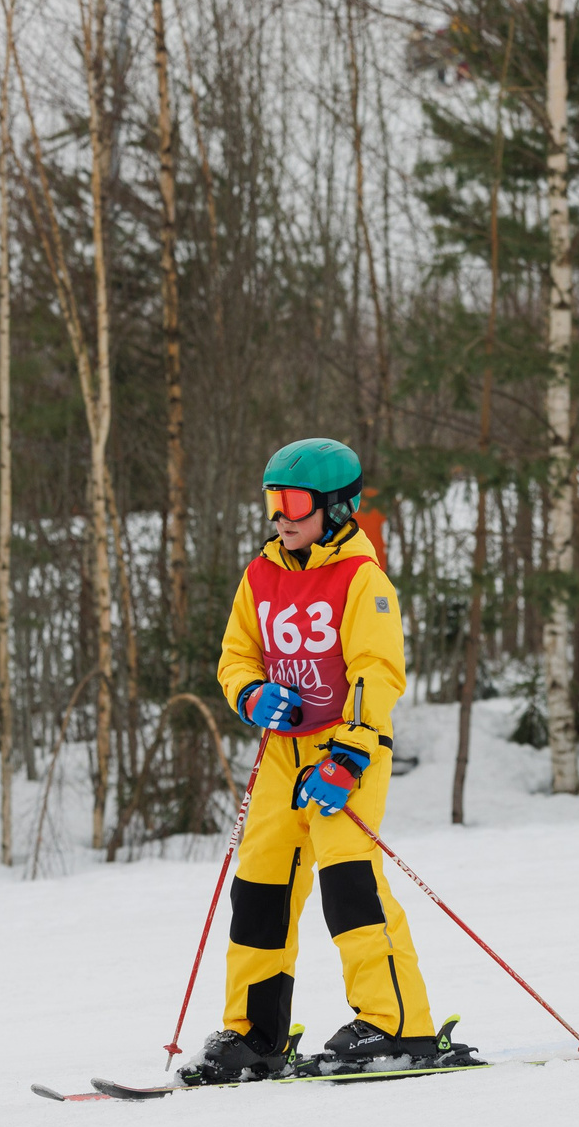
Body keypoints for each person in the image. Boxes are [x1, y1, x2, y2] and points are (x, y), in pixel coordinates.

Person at [195, 437, 470, 1082]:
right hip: (281, 753)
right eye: (272, 501)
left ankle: (398, 1025)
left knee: (350, 884)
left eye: (293, 501)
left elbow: (378, 673)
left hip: (346, 750)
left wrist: (348, 755)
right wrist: (251, 694)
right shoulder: (260, 573)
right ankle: (254, 1033)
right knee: (260, 888)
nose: (280, 516)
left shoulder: (362, 579)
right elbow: (237, 655)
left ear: (337, 507)